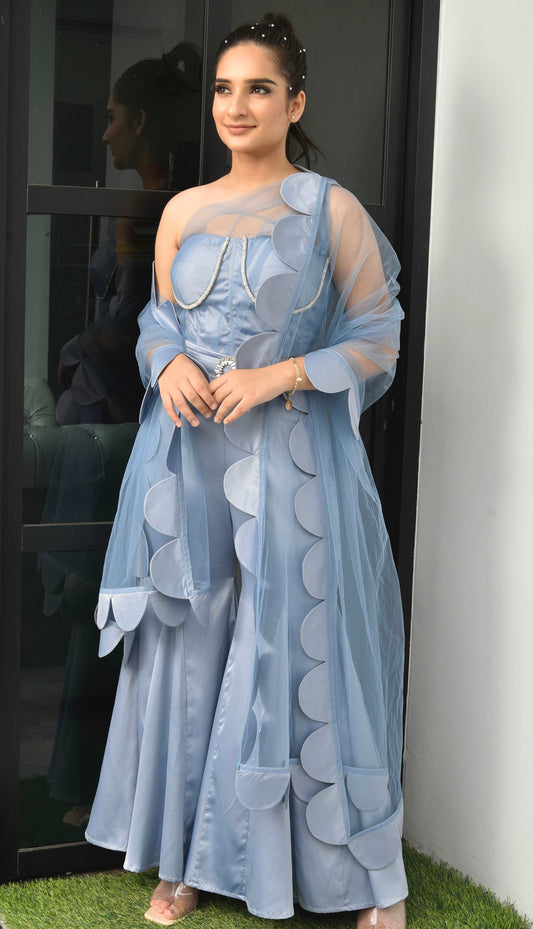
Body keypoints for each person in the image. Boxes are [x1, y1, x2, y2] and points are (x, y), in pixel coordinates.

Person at [85, 12, 408, 929]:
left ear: (293, 103)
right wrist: (167, 362)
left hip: (291, 463)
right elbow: (157, 319)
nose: (237, 105)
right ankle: (182, 860)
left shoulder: (330, 210)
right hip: (185, 457)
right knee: (188, 652)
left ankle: (361, 877)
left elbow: (378, 337)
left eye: (259, 88)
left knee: (288, 651)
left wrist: (279, 374)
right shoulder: (183, 210)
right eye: (225, 89)